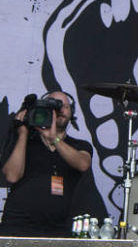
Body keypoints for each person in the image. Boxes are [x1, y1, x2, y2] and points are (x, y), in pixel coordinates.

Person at [0, 90, 93, 237]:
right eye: (53, 106)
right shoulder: (24, 142)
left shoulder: (79, 145)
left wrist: (54, 138)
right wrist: (23, 133)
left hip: (58, 228)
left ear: (71, 113)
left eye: (64, 106)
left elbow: (83, 164)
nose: (59, 110)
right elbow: (12, 176)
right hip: (18, 226)